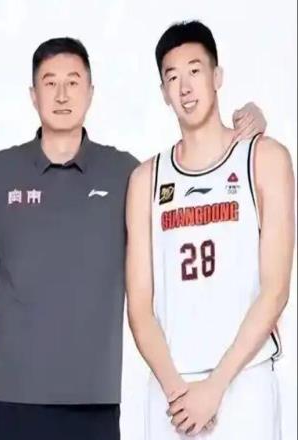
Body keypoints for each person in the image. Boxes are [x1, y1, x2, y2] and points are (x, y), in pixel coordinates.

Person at [0, 38, 267, 440]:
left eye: (73, 82)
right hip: (16, 401)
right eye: (50, 83)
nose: (61, 95)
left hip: (95, 402)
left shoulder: (125, 174)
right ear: (33, 94)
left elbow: (193, 195)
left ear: (90, 92)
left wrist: (248, 127)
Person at [126, 21, 295, 439]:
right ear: (163, 92)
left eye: (195, 71)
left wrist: (215, 387)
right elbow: (140, 305)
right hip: (173, 389)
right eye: (172, 77)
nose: (185, 87)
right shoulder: (146, 179)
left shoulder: (265, 158)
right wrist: (177, 392)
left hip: (244, 379)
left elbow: (276, 289)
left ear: (217, 76)